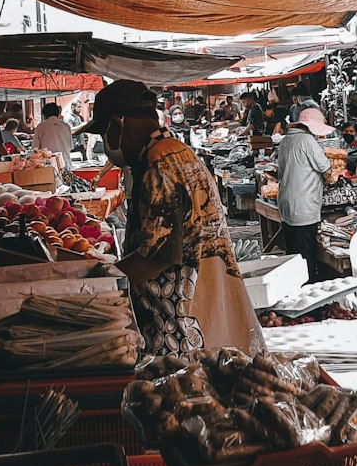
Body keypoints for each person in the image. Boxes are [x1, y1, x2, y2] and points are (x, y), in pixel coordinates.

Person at [86, 80, 263, 358]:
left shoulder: (160, 165)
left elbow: (158, 255)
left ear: (119, 124)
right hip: (203, 309)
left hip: (177, 326)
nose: (106, 144)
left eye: (105, 133)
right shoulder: (176, 153)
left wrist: (105, 277)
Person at [275, 106, 333, 286]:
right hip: (304, 207)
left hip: (286, 205)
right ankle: (309, 302)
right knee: (307, 258)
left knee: (293, 256)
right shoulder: (308, 141)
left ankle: (296, 292)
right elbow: (327, 170)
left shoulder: (285, 141)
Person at [32, 101, 73, 166]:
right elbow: (70, 147)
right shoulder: (66, 126)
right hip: (66, 163)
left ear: (44, 115)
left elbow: (35, 149)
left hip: (49, 165)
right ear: (58, 113)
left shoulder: (40, 127)